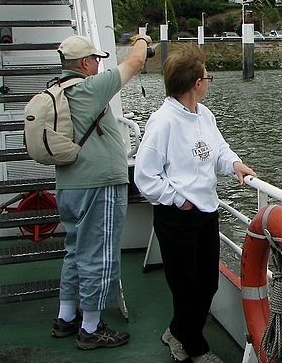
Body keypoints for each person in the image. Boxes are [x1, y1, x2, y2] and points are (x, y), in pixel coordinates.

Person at [134, 43, 256, 363]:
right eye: (206, 77)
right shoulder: (163, 123)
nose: (207, 81)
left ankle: (177, 330)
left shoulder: (204, 115)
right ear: (195, 84)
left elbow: (218, 151)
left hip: (206, 211)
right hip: (177, 216)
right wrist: (179, 200)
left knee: (208, 284)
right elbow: (145, 177)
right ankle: (194, 347)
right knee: (186, 287)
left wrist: (233, 164)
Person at [50, 33, 152, 350]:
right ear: (84, 63)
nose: (98, 64)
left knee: (75, 250)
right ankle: (91, 327)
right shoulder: (88, 88)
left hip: (69, 186)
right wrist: (141, 39)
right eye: (96, 59)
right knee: (99, 255)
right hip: (99, 186)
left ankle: (66, 317)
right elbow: (135, 61)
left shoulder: (56, 91)